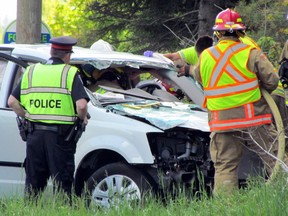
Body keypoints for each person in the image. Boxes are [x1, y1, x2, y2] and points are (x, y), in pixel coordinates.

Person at [190, 8, 280, 195]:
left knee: (225, 166)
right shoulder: (250, 52)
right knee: (275, 158)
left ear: (218, 32)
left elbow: (199, 77)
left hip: (221, 121)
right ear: (240, 31)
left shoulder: (206, 55)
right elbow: (271, 81)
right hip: (253, 118)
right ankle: (283, 195)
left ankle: (226, 208)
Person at [8, 36, 90, 202]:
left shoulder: (31, 71)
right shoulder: (69, 73)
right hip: (60, 139)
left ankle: (29, 212)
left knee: (33, 186)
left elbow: (12, 102)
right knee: (63, 187)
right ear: (67, 56)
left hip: (34, 136)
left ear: (52, 52)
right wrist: (83, 119)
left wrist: (27, 115)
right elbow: (81, 106)